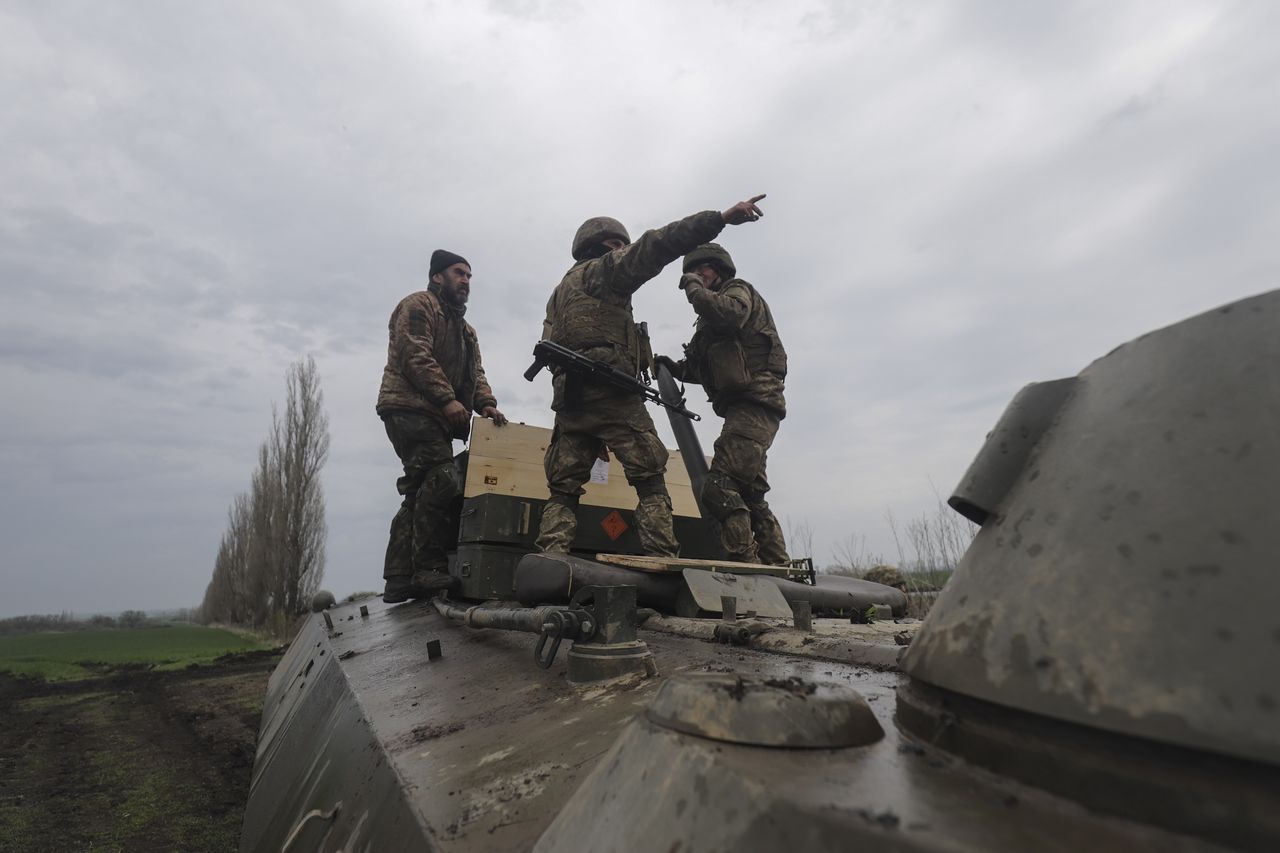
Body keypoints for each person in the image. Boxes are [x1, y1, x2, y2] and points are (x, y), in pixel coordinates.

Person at [535, 195, 768, 557]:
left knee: (563, 490)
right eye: (619, 245)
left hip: (570, 400)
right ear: (605, 246)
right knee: (650, 480)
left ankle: (551, 557)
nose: (625, 250)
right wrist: (719, 218)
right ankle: (661, 557)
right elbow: (659, 244)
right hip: (612, 393)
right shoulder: (605, 271)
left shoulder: (559, 294)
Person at [376, 249, 507, 603]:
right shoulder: (418, 306)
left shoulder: (466, 332)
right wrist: (448, 399)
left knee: (420, 490)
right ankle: (428, 568)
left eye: (468, 276)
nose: (465, 280)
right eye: (458, 273)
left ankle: (398, 577)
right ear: (437, 276)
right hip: (408, 407)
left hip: (435, 415)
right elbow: (415, 354)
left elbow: (475, 374)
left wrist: (487, 403)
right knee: (442, 478)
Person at [654, 242, 790, 565]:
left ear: (720, 269)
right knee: (752, 497)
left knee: (718, 486)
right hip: (745, 409)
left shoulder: (737, 292)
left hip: (756, 406)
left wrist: (693, 290)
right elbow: (709, 369)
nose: (698, 275)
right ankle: (778, 566)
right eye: (692, 271)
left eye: (704, 269)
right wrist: (675, 369)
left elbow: (730, 315)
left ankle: (744, 568)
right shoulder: (710, 321)